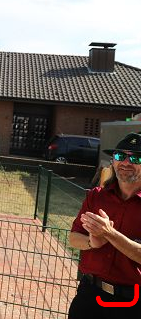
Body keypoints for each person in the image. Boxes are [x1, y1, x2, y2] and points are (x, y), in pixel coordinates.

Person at [68, 132, 141, 318]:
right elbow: (73, 238)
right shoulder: (96, 196)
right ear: (113, 162)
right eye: (119, 156)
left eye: (136, 158)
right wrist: (92, 242)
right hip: (90, 295)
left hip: (131, 303)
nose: (126, 162)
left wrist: (109, 233)